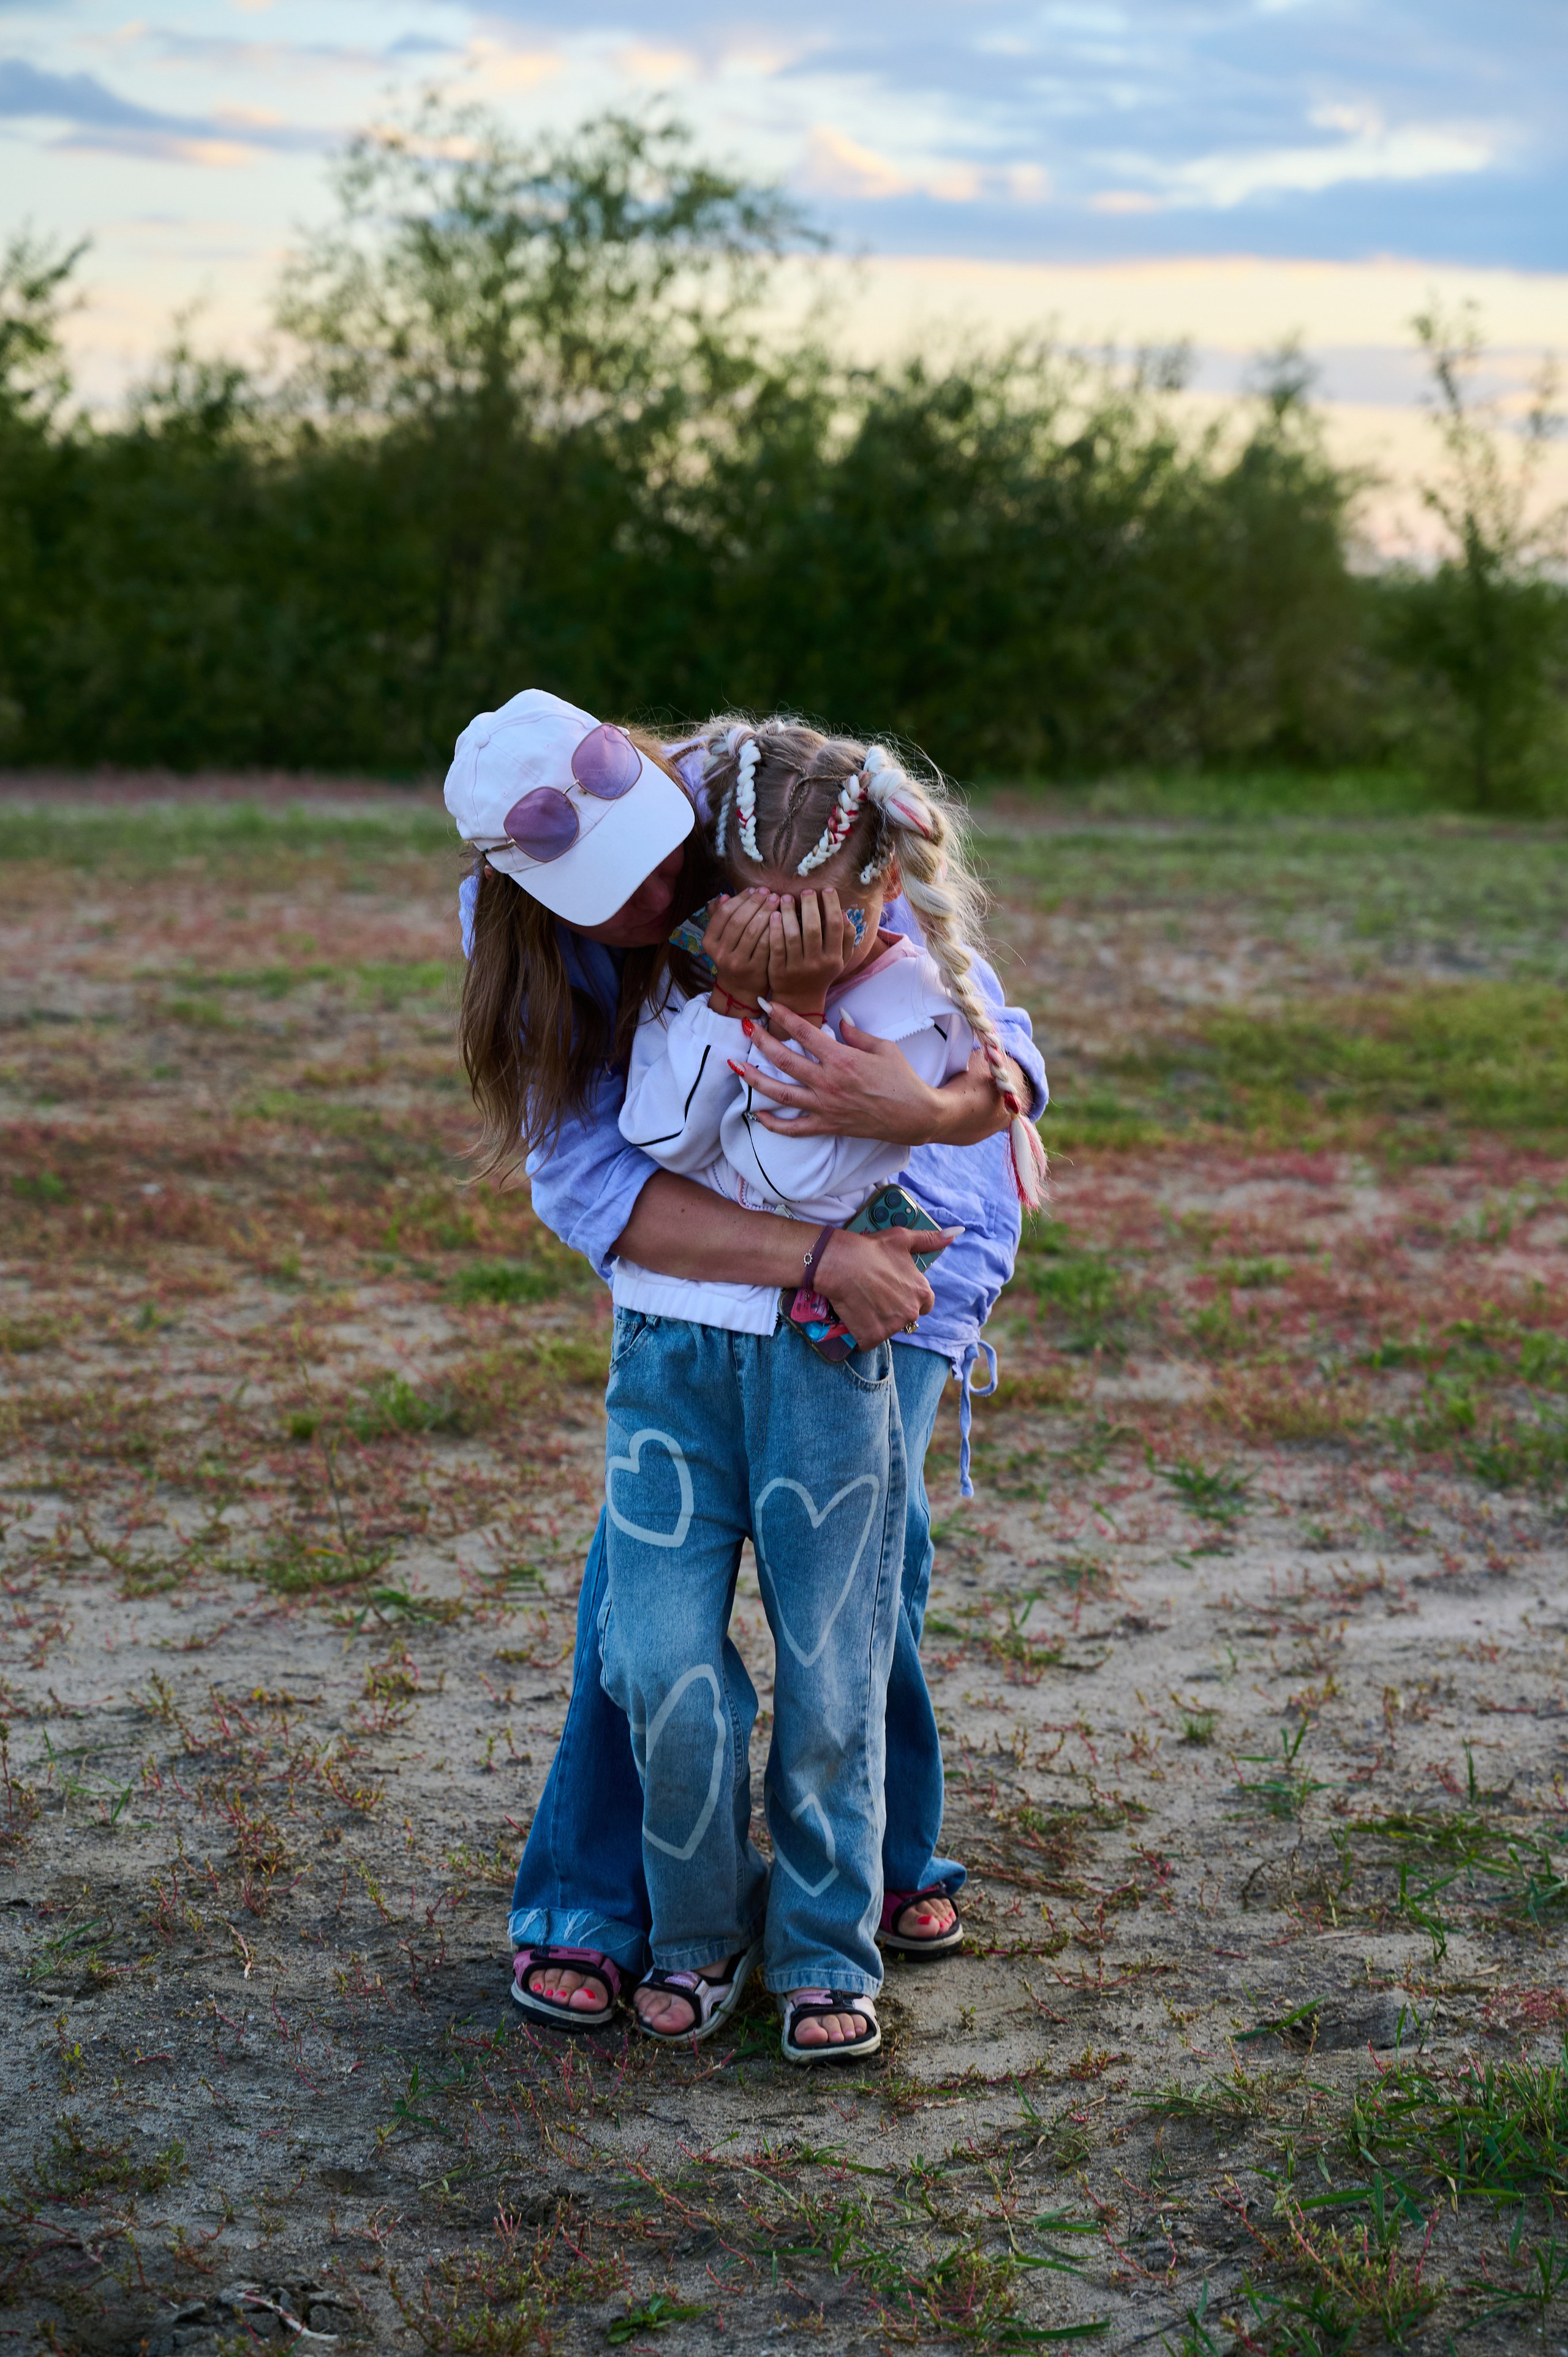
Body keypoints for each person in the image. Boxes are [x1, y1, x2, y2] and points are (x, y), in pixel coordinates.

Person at [446, 688, 1048, 2043]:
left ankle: (865, 1884)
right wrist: (807, 1235)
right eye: (621, 889)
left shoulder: (774, 812)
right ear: (531, 893)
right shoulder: (539, 933)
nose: (664, 889)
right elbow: (599, 1184)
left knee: (859, 1591)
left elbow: (996, 1054)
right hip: (713, 1293)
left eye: (672, 855)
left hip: (909, 1268)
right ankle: (614, 1906)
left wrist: (919, 1108)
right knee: (645, 1618)